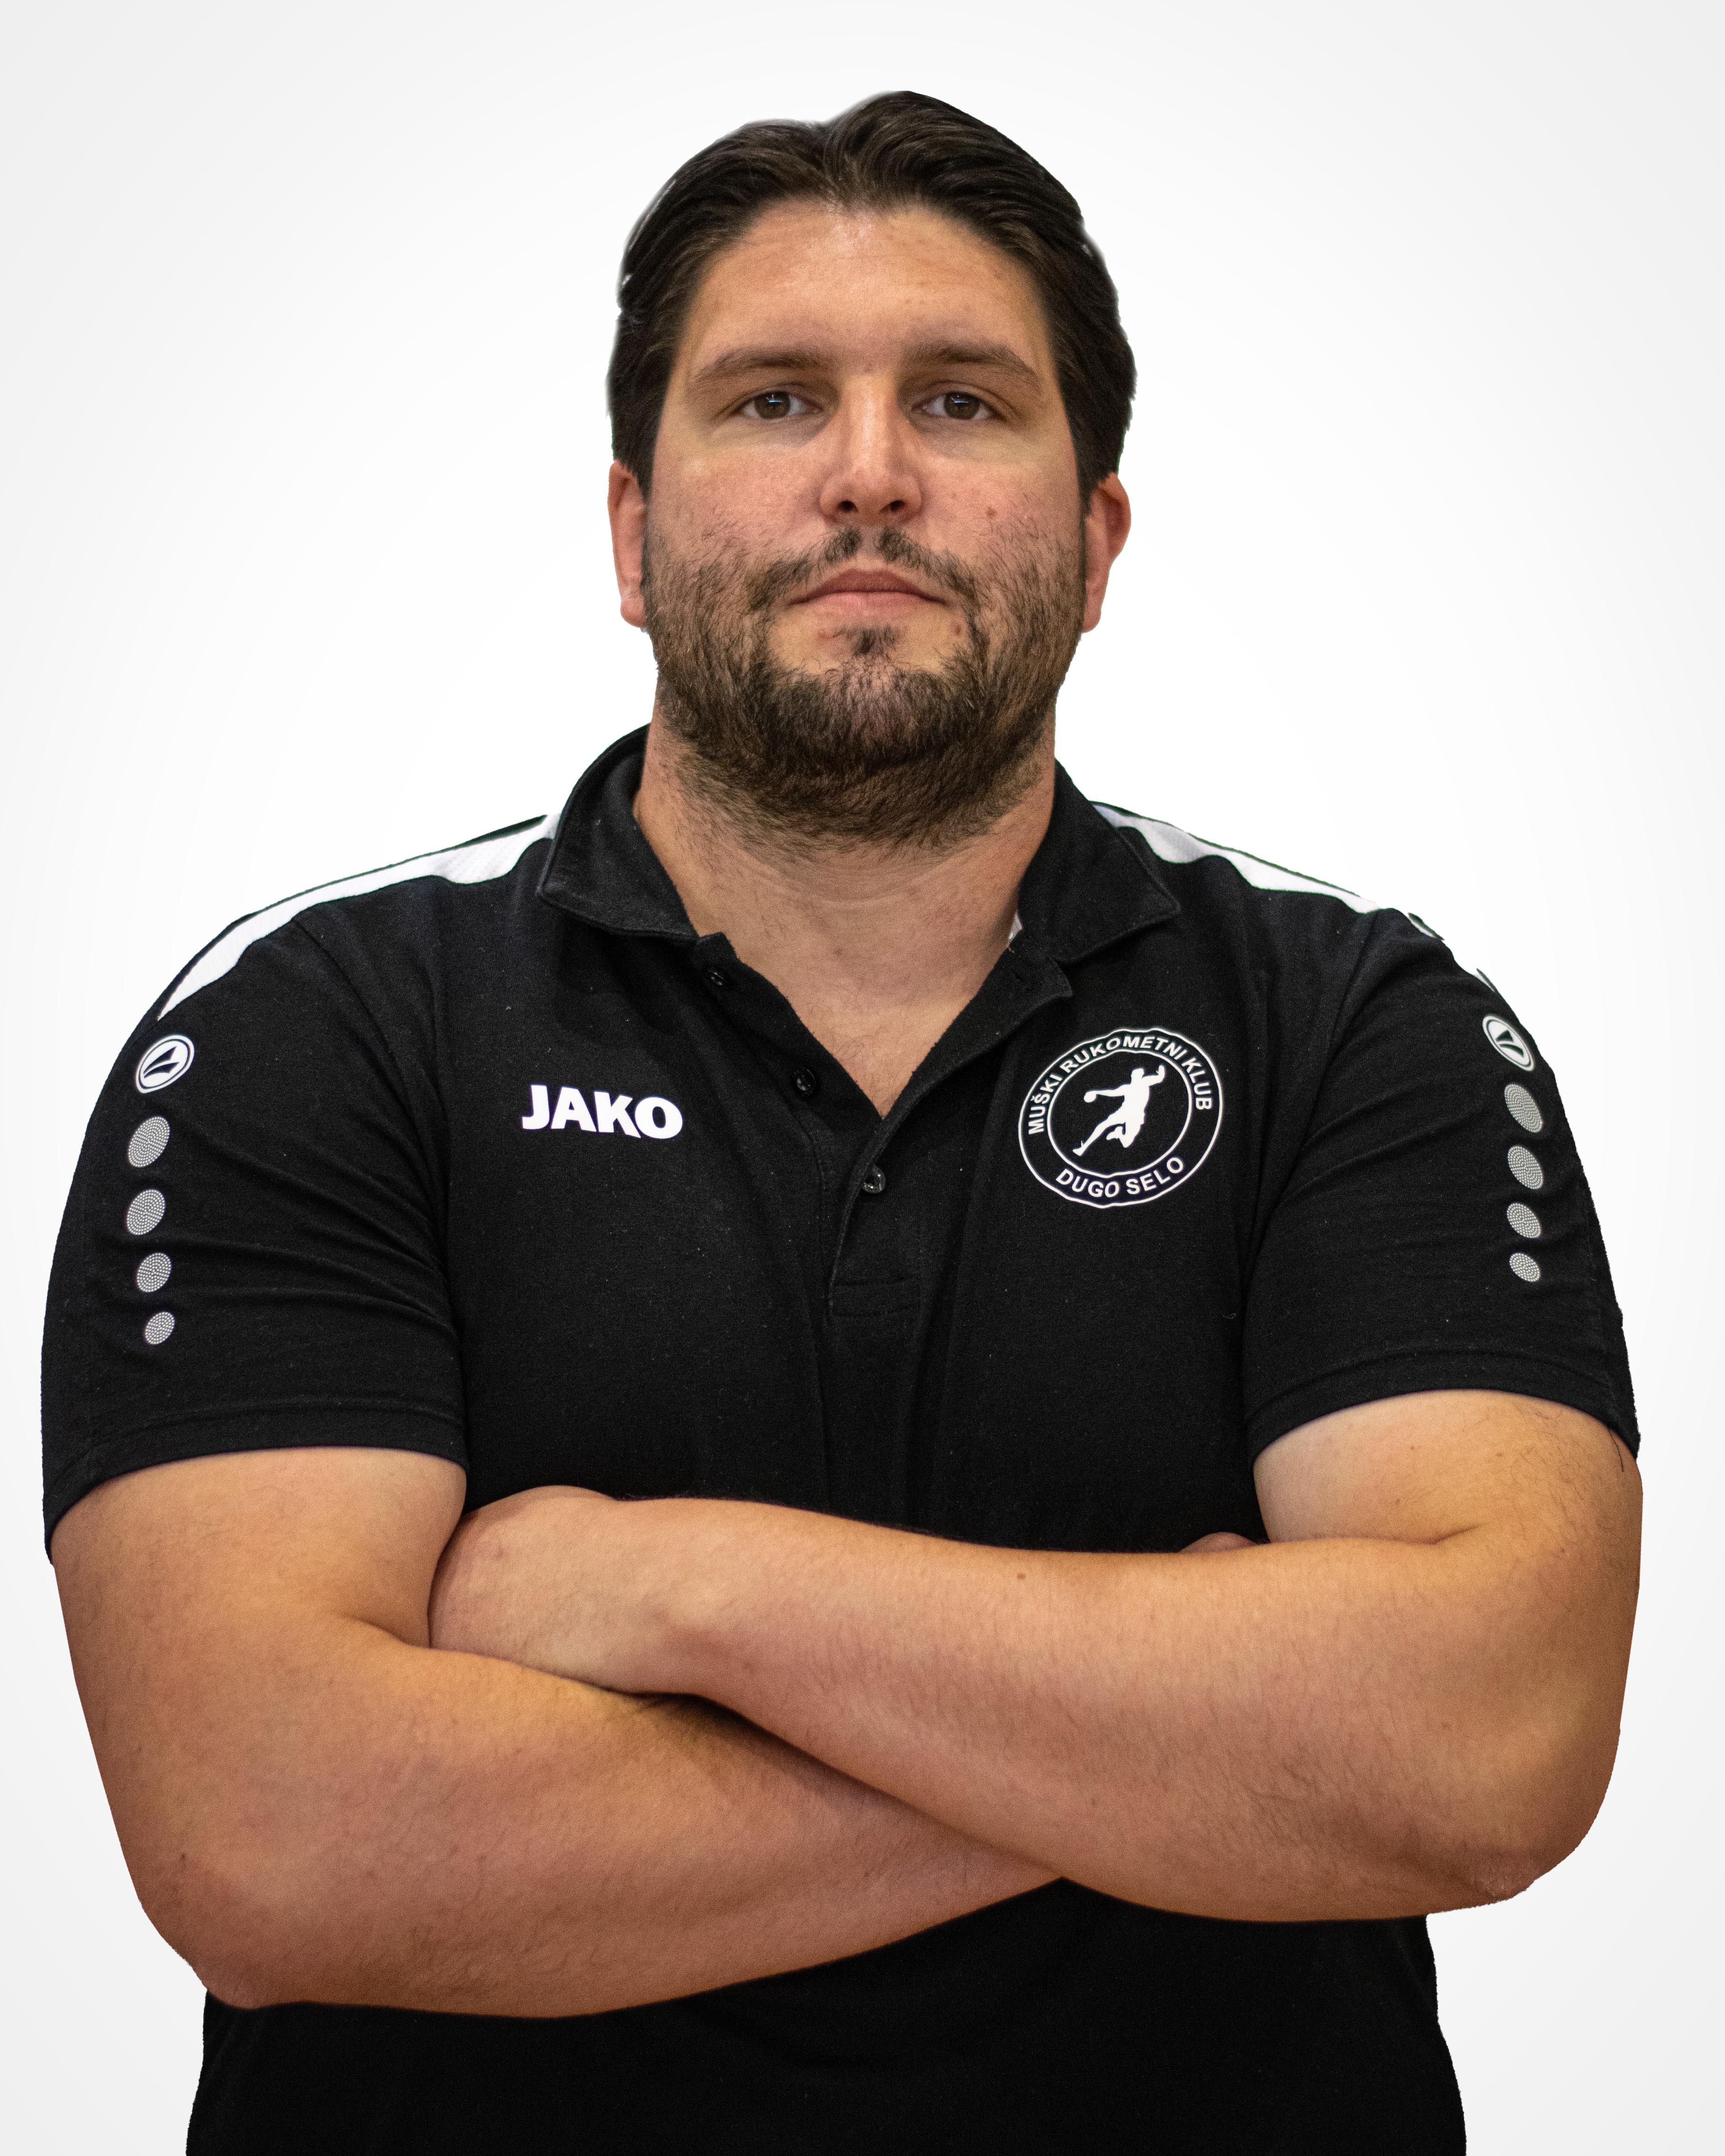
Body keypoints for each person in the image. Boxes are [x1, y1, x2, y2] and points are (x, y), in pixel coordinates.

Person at [44, 91, 1641, 2154]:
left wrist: (671, 1587)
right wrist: (1203, 1752)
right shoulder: (311, 1030)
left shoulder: (1357, 1025)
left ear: (1098, 542)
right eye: (776, 400)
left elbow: (1488, 1745)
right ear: (632, 535)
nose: (870, 472)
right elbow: (276, 1840)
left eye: (962, 404)